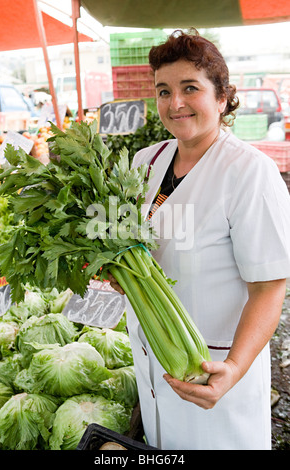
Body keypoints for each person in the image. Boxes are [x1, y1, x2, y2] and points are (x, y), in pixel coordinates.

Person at [109, 29, 290, 450]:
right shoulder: (145, 162)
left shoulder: (250, 172)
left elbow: (269, 287)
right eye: (163, 91)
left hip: (215, 368)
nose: (175, 104)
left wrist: (235, 365)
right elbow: (143, 252)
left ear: (222, 97)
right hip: (152, 363)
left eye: (191, 88)